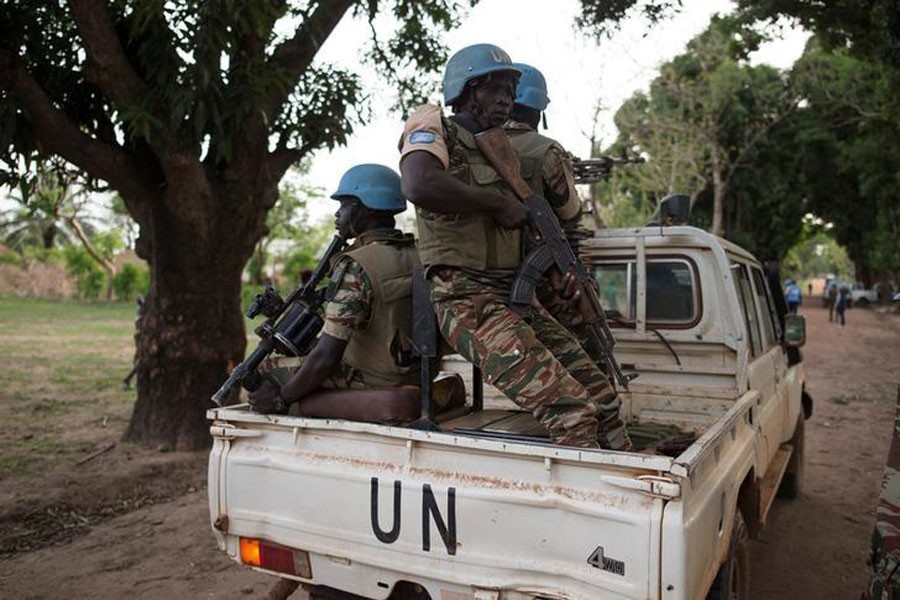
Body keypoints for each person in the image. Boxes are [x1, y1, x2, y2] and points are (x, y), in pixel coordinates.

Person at [398, 43, 631, 451]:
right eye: (497, 89)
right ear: (468, 90)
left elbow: (523, 228)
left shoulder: (503, 151)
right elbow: (419, 184)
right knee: (573, 411)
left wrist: (558, 271)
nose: (507, 99)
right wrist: (495, 202)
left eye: (511, 90)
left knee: (604, 399)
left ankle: (628, 483)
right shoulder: (434, 124)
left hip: (513, 298)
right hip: (466, 297)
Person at [248, 164, 420, 415]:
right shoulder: (418, 253)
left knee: (265, 370)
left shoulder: (358, 265)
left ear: (366, 209)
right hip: (413, 372)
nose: (338, 215)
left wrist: (281, 399)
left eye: (345, 205)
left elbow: (326, 358)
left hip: (374, 378)